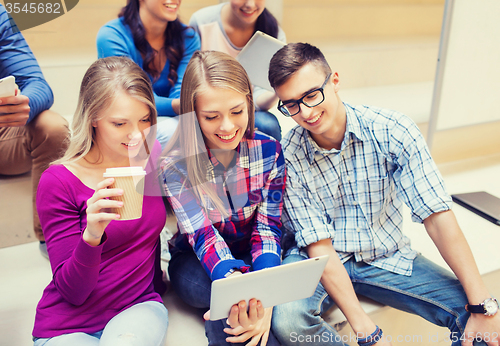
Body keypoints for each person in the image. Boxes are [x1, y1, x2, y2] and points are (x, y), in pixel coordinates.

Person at [268, 43, 500, 346]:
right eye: (292, 105)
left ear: (334, 81)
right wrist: (365, 328)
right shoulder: (289, 154)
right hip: (316, 260)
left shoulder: (393, 130)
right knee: (288, 319)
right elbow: (319, 247)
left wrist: (482, 304)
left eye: (312, 95)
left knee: (481, 323)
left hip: (384, 255)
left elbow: (437, 216)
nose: (306, 112)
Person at [32, 56, 168, 345]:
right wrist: (92, 235)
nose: (136, 134)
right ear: (93, 118)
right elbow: (73, 292)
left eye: (144, 119)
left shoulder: (149, 151)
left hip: (137, 306)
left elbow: (147, 237)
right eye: (120, 123)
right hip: (67, 324)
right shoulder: (58, 182)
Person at [161, 50, 285, 346]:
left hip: (251, 251)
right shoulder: (175, 166)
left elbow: (268, 227)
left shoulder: (269, 151)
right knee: (226, 299)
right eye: (212, 117)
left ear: (249, 104)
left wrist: (264, 283)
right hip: (197, 259)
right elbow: (202, 236)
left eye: (237, 111)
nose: (227, 127)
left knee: (245, 303)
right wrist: (232, 280)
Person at [0, 4, 69, 256]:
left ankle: (51, 239)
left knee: (53, 127)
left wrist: (23, 107)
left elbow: (37, 83)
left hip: (4, 135)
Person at [96, 0, 200, 148]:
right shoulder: (112, 36)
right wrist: (181, 106)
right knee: (173, 131)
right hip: (128, 121)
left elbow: (182, 90)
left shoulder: (188, 37)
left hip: (170, 120)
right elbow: (132, 97)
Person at [189, 0, 284, 141]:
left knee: (268, 125)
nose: (250, 5)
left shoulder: (273, 32)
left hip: (246, 109)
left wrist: (277, 90)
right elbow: (190, 78)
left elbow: (259, 95)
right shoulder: (202, 21)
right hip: (209, 107)